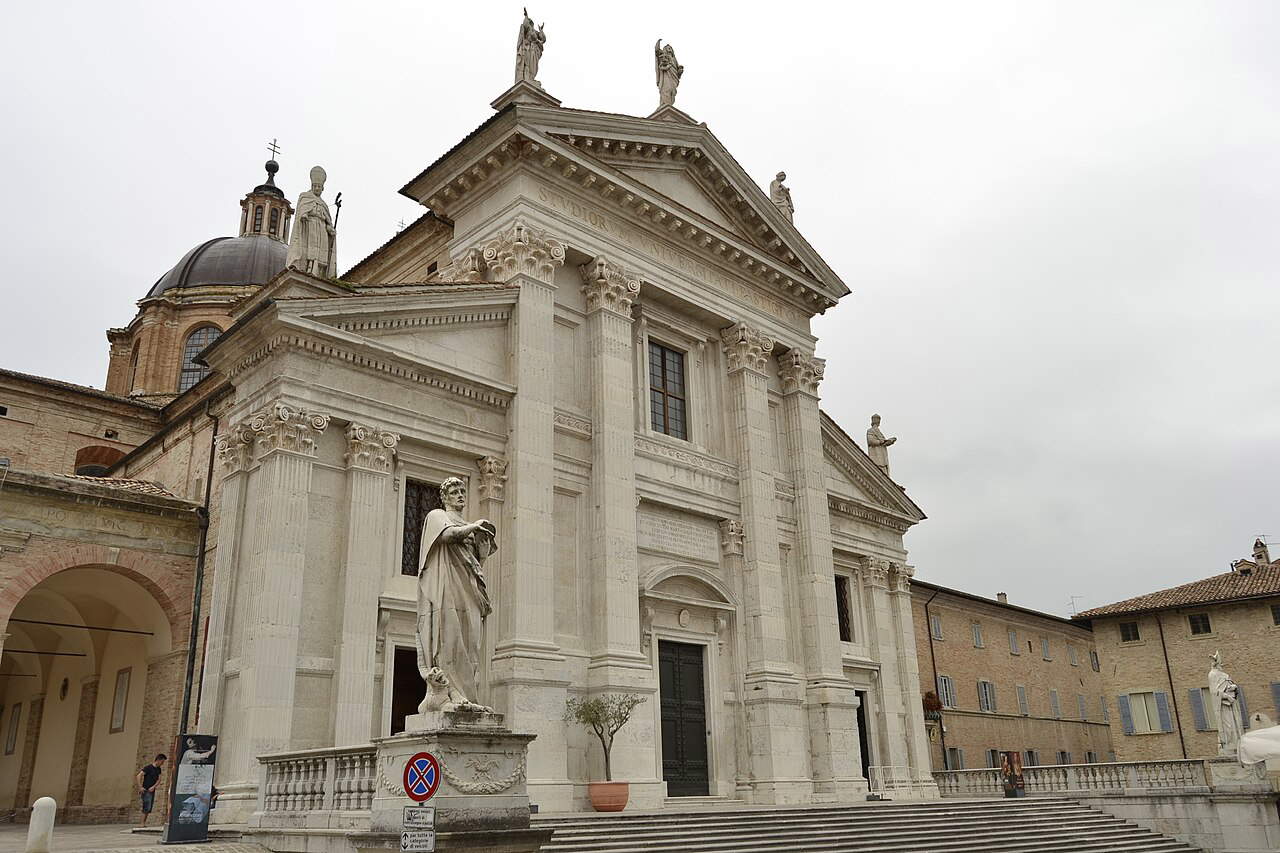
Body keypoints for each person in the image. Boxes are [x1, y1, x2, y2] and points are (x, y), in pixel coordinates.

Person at [415, 477, 497, 710]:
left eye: (462, 490)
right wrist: (474, 526)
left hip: (468, 590)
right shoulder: (438, 516)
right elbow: (448, 536)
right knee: (449, 636)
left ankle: (468, 696)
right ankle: (448, 691)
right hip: (446, 585)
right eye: (453, 491)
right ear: (444, 497)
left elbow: (474, 565)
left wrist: (482, 553)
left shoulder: (469, 528)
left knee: (471, 640)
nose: (460, 494)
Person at [136, 753, 166, 826]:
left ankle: (143, 823)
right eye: (162, 762)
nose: (162, 764)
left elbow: (159, 779)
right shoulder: (148, 768)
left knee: (149, 806)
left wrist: (154, 787)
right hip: (145, 789)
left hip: (152, 790)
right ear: (158, 760)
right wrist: (140, 787)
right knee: (146, 805)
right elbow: (139, 776)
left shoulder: (158, 769)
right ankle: (142, 823)